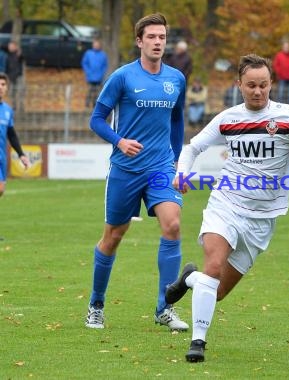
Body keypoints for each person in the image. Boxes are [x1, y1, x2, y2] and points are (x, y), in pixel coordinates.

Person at [166, 53, 289, 362]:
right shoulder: (228, 119)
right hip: (225, 204)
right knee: (212, 266)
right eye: (251, 85)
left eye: (263, 85)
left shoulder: (288, 116)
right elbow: (194, 146)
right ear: (239, 84)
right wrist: (182, 172)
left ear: (271, 84)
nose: (257, 91)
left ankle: (188, 278)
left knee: (218, 290)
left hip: (263, 219)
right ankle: (198, 342)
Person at [84, 13, 188, 331]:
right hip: (125, 170)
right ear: (140, 41)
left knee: (172, 225)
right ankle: (96, 305)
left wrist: (176, 163)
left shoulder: (176, 79)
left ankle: (165, 307)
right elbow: (96, 120)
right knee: (113, 237)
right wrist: (120, 141)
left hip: (159, 167)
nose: (158, 42)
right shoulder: (123, 77)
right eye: (152, 37)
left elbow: (177, 122)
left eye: (162, 37)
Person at [0, 72, 30, 198]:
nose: (0, 87)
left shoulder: (7, 110)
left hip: (1, 157)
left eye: (3, 84)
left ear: (7, 88)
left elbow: (11, 134)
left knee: (1, 189)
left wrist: (21, 154)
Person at [81, 38, 109, 108]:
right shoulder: (88, 53)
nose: (96, 46)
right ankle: (87, 104)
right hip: (90, 76)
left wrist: (101, 73)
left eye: (97, 45)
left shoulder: (103, 55)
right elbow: (84, 63)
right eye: (95, 44)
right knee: (90, 90)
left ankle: (95, 104)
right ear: (93, 45)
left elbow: (104, 65)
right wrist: (88, 72)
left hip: (99, 77)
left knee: (98, 91)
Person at [5, 41, 25, 112]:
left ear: (15, 47)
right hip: (10, 77)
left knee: (20, 92)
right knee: (11, 93)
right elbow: (7, 67)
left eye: (12, 46)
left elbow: (22, 57)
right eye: (9, 46)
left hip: (19, 76)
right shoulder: (8, 55)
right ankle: (14, 107)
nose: (10, 47)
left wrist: (19, 52)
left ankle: (21, 108)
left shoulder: (18, 54)